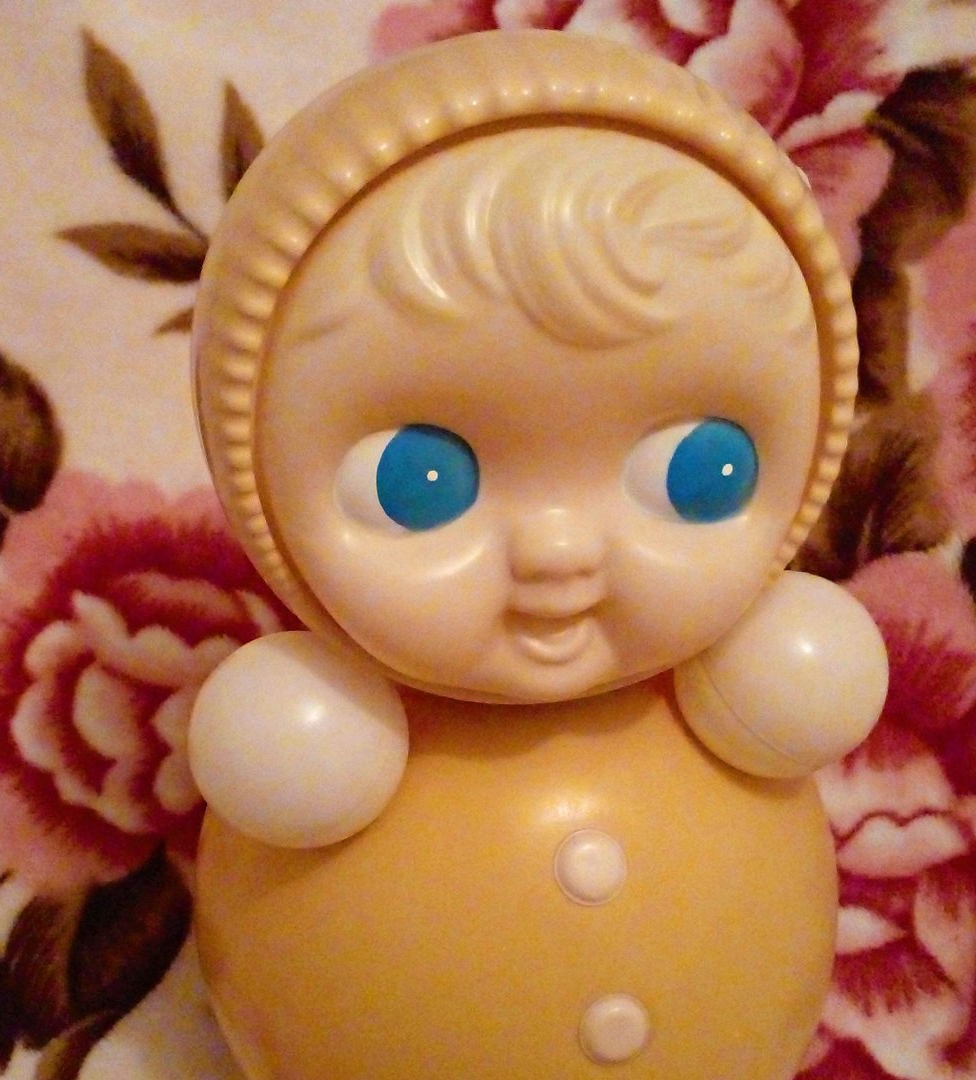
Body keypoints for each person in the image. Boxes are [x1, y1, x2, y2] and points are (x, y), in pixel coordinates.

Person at [185, 29, 887, 1080]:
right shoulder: (308, 758)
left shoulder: (750, 702)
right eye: (417, 482)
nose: (560, 553)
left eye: (700, 471)